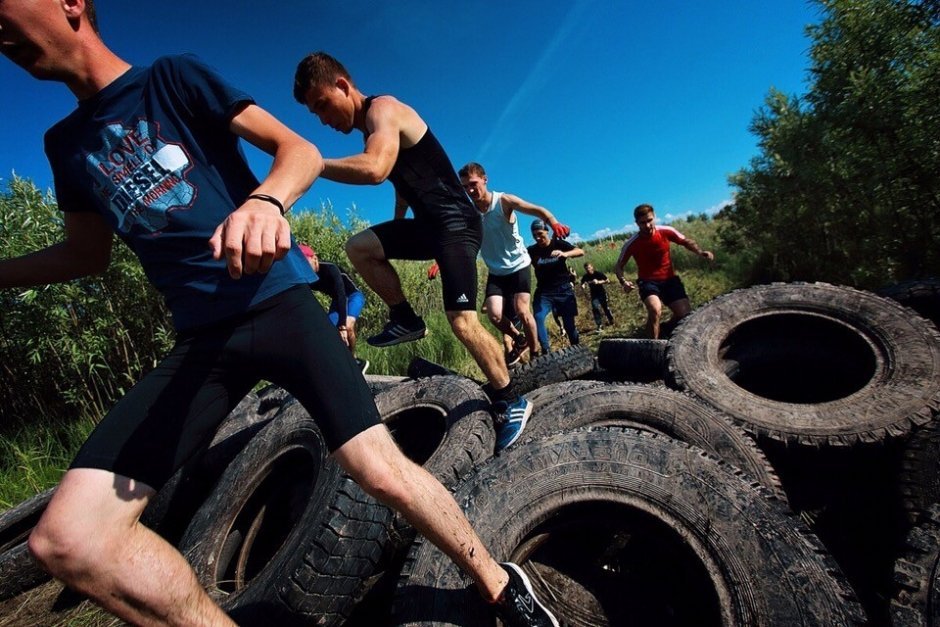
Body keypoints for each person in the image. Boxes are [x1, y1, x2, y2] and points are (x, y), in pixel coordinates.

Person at [0, 5, 556, 626]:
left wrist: (267, 199)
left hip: (276, 303)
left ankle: (499, 583)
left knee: (376, 468)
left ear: (71, 2)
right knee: (67, 538)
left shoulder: (174, 78)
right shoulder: (65, 145)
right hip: (201, 339)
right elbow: (85, 253)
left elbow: (298, 151)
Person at [293, 52, 534, 453]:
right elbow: (402, 184)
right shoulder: (374, 128)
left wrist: (315, 164)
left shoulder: (383, 110)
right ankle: (405, 317)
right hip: (430, 227)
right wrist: (397, 227)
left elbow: (376, 169)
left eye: (322, 105)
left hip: (456, 224)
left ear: (342, 86)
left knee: (461, 320)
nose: (322, 119)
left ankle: (511, 399)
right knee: (361, 246)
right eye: (314, 113)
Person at [457, 162, 571, 365]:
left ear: (485, 179)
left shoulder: (504, 201)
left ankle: (536, 354)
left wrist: (553, 221)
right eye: (465, 187)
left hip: (518, 265)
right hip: (496, 271)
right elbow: (460, 241)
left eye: (473, 184)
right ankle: (520, 339)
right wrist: (442, 262)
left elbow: (535, 209)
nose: (470, 190)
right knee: (494, 315)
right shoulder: (469, 212)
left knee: (522, 311)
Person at [614, 203, 715, 339]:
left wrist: (700, 252)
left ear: (654, 217)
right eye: (643, 223)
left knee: (684, 314)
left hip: (669, 279)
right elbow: (619, 266)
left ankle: (664, 329)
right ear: (637, 223)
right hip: (648, 281)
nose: (647, 225)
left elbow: (685, 241)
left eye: (650, 220)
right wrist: (623, 282)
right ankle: (652, 346)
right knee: (655, 309)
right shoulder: (632, 243)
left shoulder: (666, 231)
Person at [298, 242, 369, 372]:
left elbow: (342, 294)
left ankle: (355, 362)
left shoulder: (331, 268)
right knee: (328, 332)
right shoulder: (306, 278)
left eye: (306, 264)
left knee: (347, 326)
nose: (305, 270)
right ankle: (338, 364)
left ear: (314, 258)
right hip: (337, 302)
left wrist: (341, 326)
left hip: (352, 296)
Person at [527, 219, 584, 352]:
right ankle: (546, 351)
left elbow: (580, 251)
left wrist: (565, 254)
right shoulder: (532, 250)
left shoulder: (557, 244)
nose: (538, 238)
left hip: (563, 290)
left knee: (569, 326)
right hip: (544, 292)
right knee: (538, 318)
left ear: (547, 231)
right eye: (534, 235)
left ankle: (577, 349)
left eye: (540, 234)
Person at [580, 262, 615, 332]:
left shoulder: (598, 274)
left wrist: (599, 282)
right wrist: (583, 285)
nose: (588, 270)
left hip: (602, 293)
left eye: (589, 268)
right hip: (594, 295)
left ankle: (611, 320)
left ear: (592, 267)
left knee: (605, 308)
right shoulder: (586, 276)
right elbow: (582, 282)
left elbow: (607, 280)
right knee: (595, 308)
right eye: (586, 269)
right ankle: (599, 325)